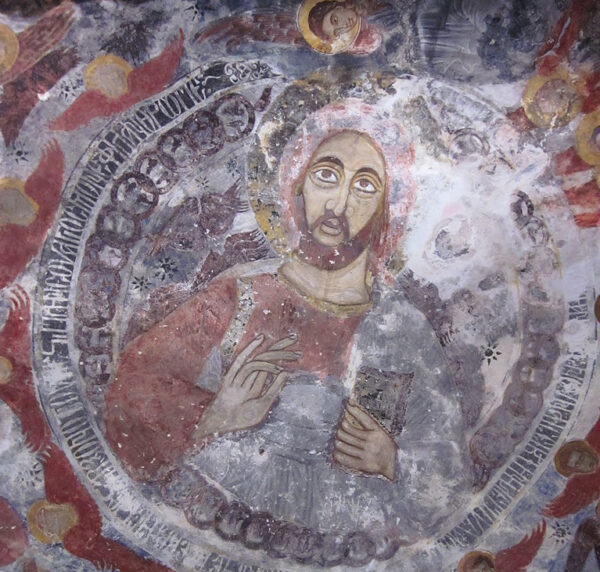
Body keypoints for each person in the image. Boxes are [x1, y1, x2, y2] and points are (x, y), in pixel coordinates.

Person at [104, 100, 468, 547]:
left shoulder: (398, 330)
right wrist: (215, 412)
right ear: (296, 185)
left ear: (386, 210)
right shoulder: (237, 296)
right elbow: (130, 393)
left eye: (365, 186)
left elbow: (449, 484)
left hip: (343, 552)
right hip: (232, 528)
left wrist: (393, 461)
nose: (339, 202)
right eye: (326, 176)